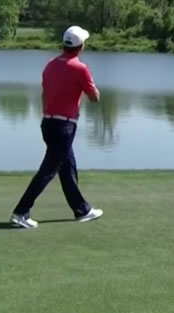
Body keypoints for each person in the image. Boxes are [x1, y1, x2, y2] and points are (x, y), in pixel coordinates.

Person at [10, 25, 104, 228]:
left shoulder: (50, 65)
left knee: (67, 167)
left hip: (48, 123)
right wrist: (94, 87)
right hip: (65, 127)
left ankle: (82, 210)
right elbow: (94, 98)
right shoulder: (81, 68)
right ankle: (21, 212)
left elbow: (45, 94)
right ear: (81, 47)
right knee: (49, 170)